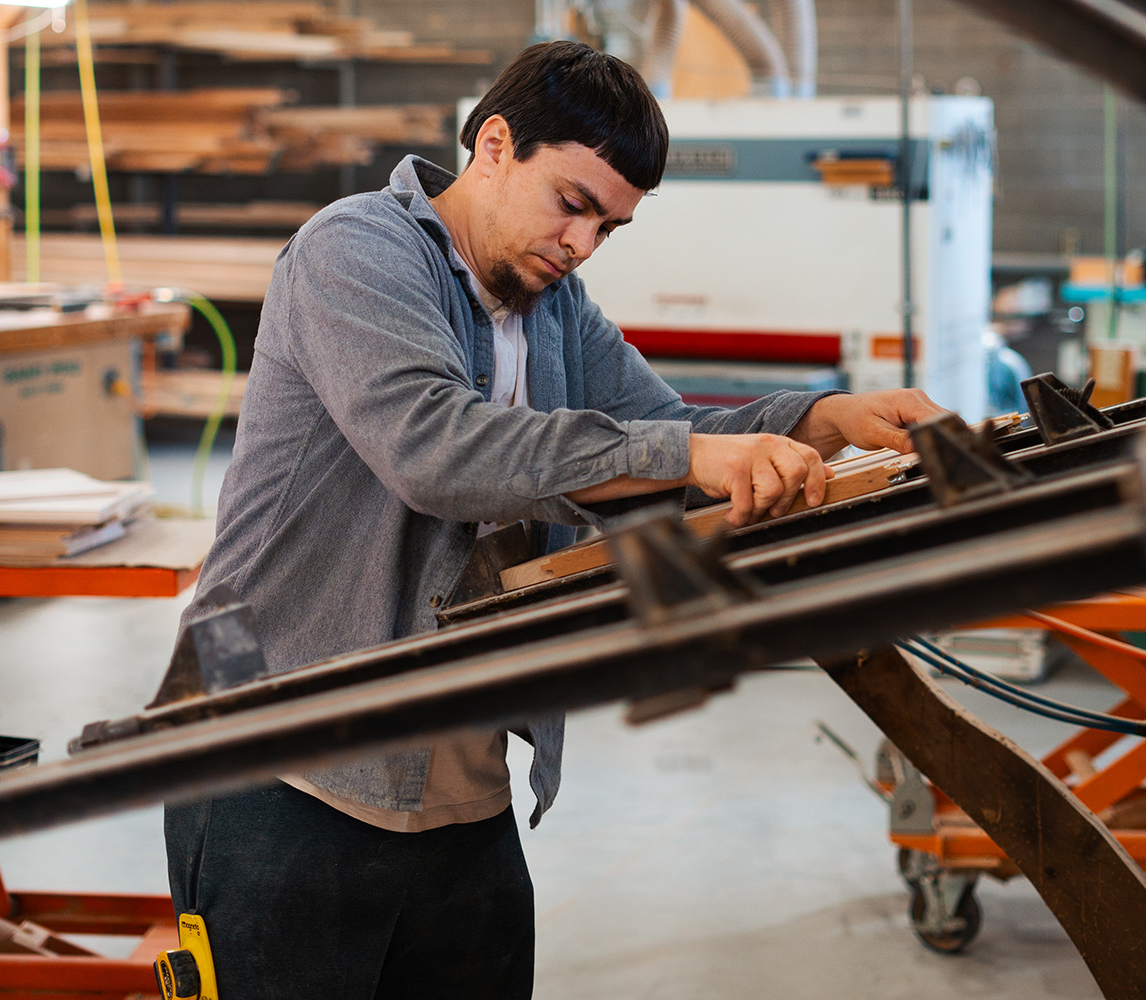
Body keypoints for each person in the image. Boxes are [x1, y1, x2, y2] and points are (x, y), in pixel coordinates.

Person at [164, 39, 945, 999]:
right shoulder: (354, 251)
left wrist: (820, 423)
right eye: (573, 205)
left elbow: (662, 435)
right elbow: (438, 451)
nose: (582, 245)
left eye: (609, 228)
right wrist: (687, 455)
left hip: (455, 783)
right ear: (494, 145)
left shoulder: (553, 308)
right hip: (284, 772)